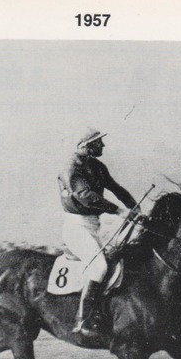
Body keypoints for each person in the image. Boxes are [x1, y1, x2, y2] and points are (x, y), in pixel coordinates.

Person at [58, 128, 138, 338]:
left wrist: (134, 207)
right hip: (77, 227)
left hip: (95, 224)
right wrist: (119, 210)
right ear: (86, 146)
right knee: (99, 265)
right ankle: (82, 321)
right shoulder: (72, 168)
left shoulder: (97, 166)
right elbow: (85, 196)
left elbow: (115, 188)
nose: (102, 146)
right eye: (98, 142)